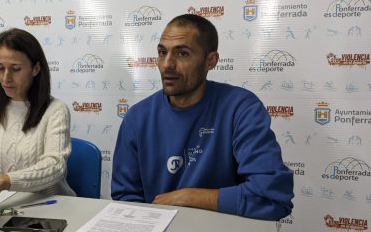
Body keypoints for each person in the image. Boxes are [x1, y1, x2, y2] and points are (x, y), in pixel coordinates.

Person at [111, 14, 294, 221]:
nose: (166, 65)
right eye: (162, 52)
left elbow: (272, 198)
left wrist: (189, 196)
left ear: (210, 61)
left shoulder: (241, 108)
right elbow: (126, 199)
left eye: (182, 53)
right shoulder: (137, 118)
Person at [0, 28, 74, 218]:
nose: (5, 77)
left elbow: (55, 166)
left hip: (46, 212)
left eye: (15, 69)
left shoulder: (55, 110)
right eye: (0, 67)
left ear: (35, 69)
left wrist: (5, 181)